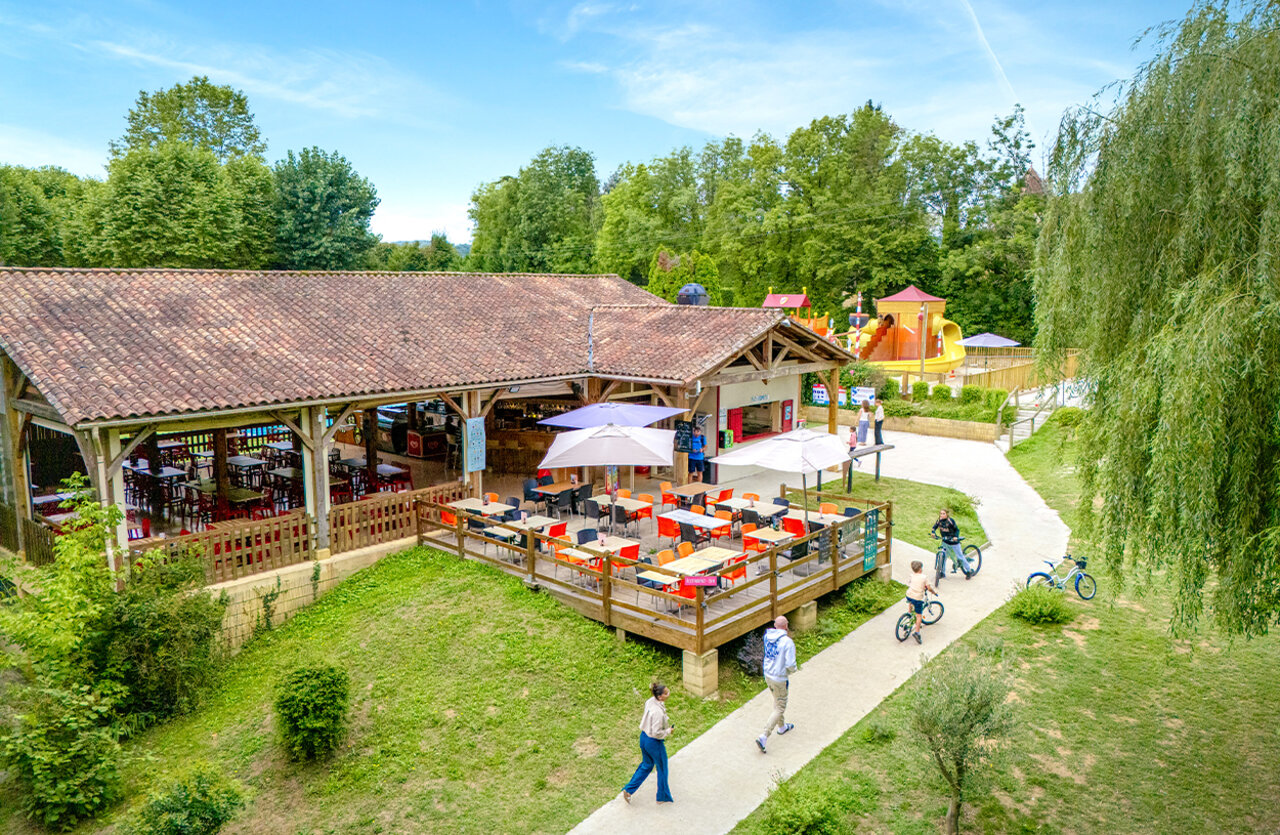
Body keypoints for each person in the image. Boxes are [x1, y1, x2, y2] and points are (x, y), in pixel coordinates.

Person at [621, 681, 675, 804]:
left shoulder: (650, 702)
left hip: (644, 738)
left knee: (647, 764)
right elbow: (656, 732)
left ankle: (629, 789)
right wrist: (668, 731)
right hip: (654, 742)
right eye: (666, 693)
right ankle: (662, 797)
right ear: (660, 696)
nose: (668, 694)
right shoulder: (658, 712)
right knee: (662, 768)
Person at [755, 615, 798, 754]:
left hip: (768, 674)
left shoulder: (767, 637)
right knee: (780, 706)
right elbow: (790, 664)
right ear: (786, 626)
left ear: (775, 626)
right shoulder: (787, 642)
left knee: (776, 699)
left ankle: (782, 727)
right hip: (779, 678)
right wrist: (792, 670)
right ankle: (764, 736)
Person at [931, 508, 973, 578]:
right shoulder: (939, 521)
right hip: (945, 542)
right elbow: (934, 527)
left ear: (947, 514)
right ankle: (942, 572)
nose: (941, 515)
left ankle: (969, 571)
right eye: (940, 513)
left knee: (960, 557)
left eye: (943, 514)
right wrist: (933, 533)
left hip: (954, 543)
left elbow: (957, 530)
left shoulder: (950, 521)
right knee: (943, 557)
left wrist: (956, 537)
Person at [905, 559, 938, 644]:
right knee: (919, 616)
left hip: (909, 595)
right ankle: (917, 633)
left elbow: (910, 583)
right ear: (920, 569)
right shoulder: (924, 577)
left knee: (911, 601)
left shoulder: (911, 575)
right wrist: (933, 592)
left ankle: (909, 613)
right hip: (917, 598)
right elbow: (929, 588)